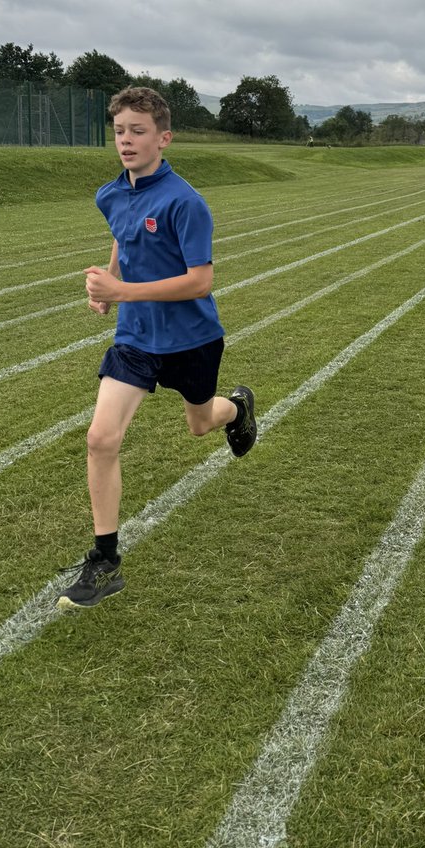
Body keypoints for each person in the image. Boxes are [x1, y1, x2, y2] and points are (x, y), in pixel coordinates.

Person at [58, 86, 257, 610]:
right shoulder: (109, 194)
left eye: (138, 131)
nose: (126, 140)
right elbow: (124, 235)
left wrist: (122, 290)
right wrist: (110, 283)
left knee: (199, 424)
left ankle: (237, 407)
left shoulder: (186, 202)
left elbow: (199, 281)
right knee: (101, 439)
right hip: (136, 339)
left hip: (192, 338)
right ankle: (105, 560)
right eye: (119, 130)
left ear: (163, 138)